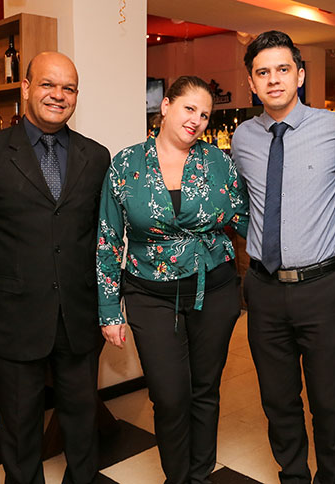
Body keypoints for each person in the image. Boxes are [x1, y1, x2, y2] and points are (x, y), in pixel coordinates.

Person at [0, 52, 110, 484]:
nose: (58, 95)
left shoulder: (96, 156)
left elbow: (99, 230)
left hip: (78, 312)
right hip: (15, 312)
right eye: (48, 84)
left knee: (82, 420)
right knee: (19, 425)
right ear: (26, 87)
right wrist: (11, 257)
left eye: (68, 88)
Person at [97, 75, 249, 484]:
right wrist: (109, 309)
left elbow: (246, 218)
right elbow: (108, 237)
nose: (197, 120)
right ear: (165, 106)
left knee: (205, 390)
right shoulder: (126, 164)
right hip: (149, 294)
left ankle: (198, 475)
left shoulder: (218, 162)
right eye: (189, 108)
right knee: (169, 396)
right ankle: (177, 477)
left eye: (205, 115)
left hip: (214, 289)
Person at [230, 31, 335, 484]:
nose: (274, 79)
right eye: (263, 72)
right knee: (278, 401)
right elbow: (241, 202)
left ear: (300, 75)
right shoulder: (243, 137)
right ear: (251, 83)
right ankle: (294, 477)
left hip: (323, 289)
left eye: (283, 69)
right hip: (263, 290)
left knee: (329, 402)